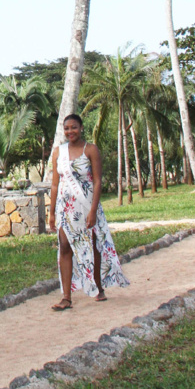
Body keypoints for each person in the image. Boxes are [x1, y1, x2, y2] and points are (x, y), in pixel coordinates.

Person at [48, 113, 129, 310]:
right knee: (65, 246)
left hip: (86, 206)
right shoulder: (59, 152)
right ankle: (66, 297)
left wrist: (93, 210)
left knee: (93, 246)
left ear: (81, 128)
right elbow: (55, 185)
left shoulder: (91, 150)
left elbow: (98, 181)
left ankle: (98, 286)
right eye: (67, 128)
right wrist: (52, 213)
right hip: (65, 208)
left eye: (74, 127)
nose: (70, 131)